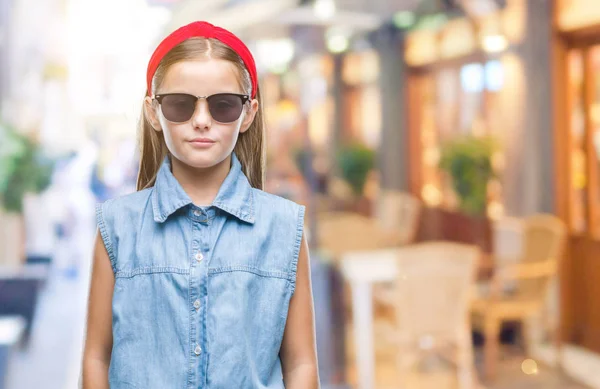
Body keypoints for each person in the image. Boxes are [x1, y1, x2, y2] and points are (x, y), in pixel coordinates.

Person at [81, 21, 319, 389]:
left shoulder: (285, 227)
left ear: (249, 113)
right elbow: (97, 356)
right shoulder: (117, 225)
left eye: (223, 105)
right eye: (180, 105)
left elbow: (301, 364)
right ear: (153, 112)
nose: (202, 121)